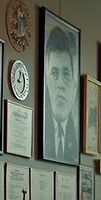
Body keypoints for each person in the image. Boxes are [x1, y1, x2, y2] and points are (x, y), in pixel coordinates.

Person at [42, 26, 79, 164]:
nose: (60, 84)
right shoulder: (43, 136)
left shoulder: (75, 140)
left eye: (66, 74)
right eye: (54, 73)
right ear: (47, 81)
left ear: (74, 87)